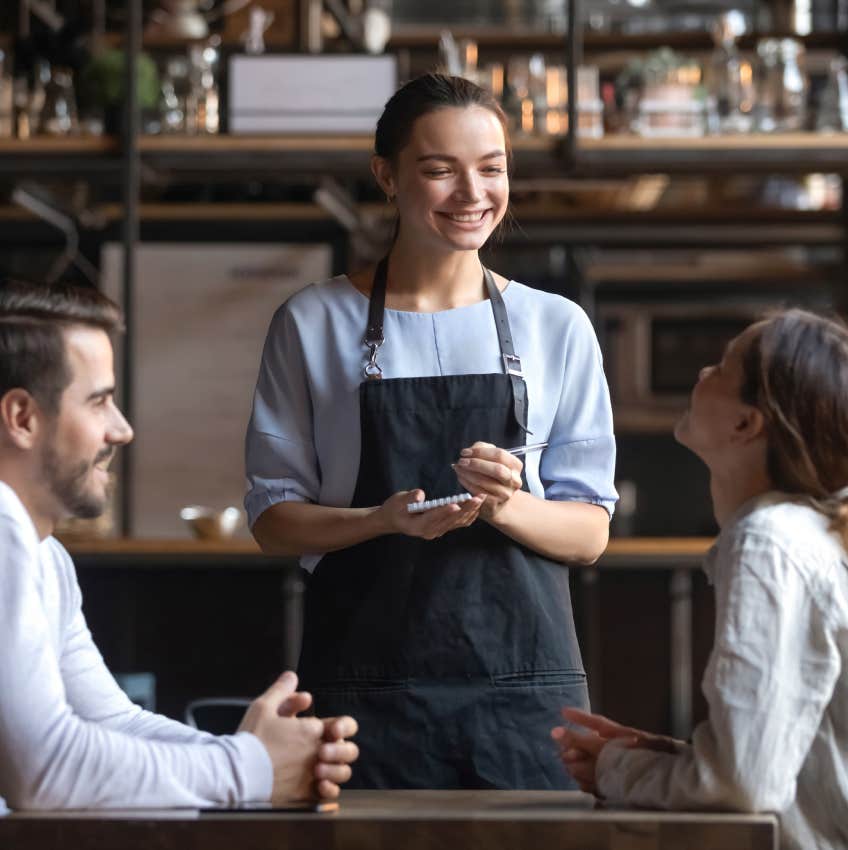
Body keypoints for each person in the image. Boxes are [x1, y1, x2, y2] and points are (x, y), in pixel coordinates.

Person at [245, 73, 618, 790]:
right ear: (386, 175)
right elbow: (273, 519)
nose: (472, 194)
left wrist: (509, 505)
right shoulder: (313, 322)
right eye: (440, 170)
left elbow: (590, 531)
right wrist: (379, 521)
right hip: (363, 694)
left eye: (491, 168)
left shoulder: (556, 326)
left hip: (524, 695)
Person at [0, 279, 358, 811]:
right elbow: (44, 767)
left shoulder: (43, 555)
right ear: (22, 418)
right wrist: (251, 768)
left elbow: (113, 721)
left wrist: (261, 756)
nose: (121, 430)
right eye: (99, 402)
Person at [552, 309, 848, 850]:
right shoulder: (803, 533)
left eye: (721, 367)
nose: (701, 374)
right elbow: (785, 758)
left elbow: (742, 786)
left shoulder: (768, 543)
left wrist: (619, 771)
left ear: (745, 424)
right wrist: (676, 757)